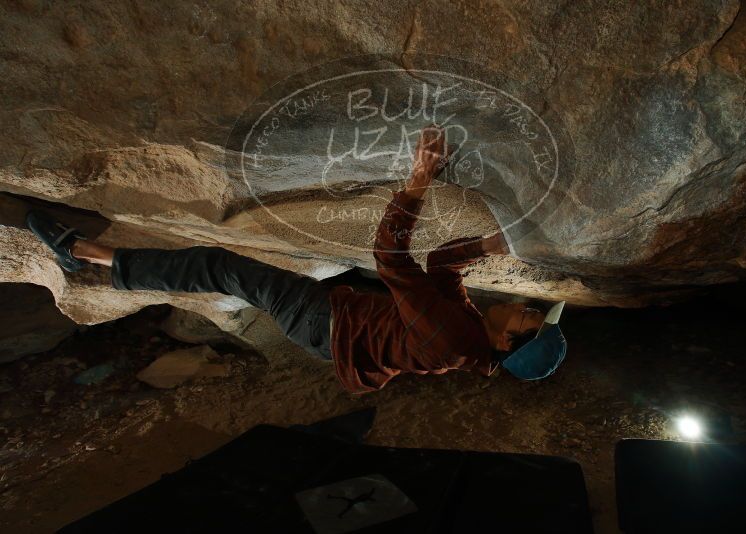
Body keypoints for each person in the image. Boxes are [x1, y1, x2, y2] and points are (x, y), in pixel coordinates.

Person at [27, 125, 565, 394]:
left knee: (219, 265)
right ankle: (92, 258)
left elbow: (389, 257)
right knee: (224, 270)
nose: (523, 305)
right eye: (532, 310)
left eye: (528, 318)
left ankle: (84, 256)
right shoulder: (471, 333)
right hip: (334, 322)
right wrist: (488, 246)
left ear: (507, 342)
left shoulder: (454, 337)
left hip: (323, 324)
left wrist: (419, 179)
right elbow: (444, 270)